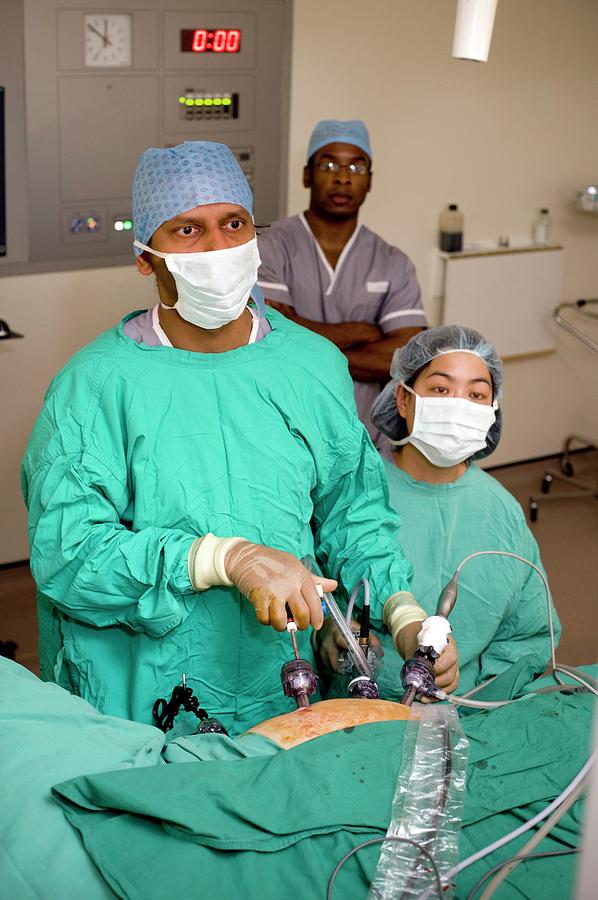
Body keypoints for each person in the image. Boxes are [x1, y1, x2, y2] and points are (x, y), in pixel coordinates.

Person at [21, 141, 456, 736]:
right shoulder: (94, 386)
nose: (219, 248)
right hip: (145, 689)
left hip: (283, 673)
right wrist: (220, 557)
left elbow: (351, 513)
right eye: (187, 230)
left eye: (233, 224)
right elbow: (69, 554)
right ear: (146, 259)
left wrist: (401, 614)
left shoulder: (311, 366)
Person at [369, 325, 561, 699]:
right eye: (441, 389)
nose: (458, 405)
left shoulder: (501, 510)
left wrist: (482, 705)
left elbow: (528, 633)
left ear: (491, 412)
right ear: (403, 399)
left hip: (470, 707)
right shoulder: (358, 494)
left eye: (476, 394)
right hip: (358, 705)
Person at [257, 119, 427, 448]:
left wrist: (302, 345)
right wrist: (364, 332)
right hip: (284, 431)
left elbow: (407, 357)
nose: (343, 177)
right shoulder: (270, 245)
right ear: (307, 175)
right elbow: (267, 337)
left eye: (356, 167)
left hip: (366, 436)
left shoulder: (393, 261)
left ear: (370, 182)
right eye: (329, 163)